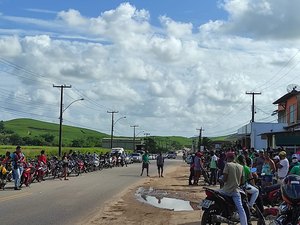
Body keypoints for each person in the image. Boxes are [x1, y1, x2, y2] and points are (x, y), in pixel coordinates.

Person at [220, 152, 248, 225]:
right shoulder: (241, 167)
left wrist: (221, 180)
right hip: (235, 191)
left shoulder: (228, 165)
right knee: (241, 209)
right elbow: (242, 181)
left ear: (227, 158)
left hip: (225, 191)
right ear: (234, 158)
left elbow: (225, 178)